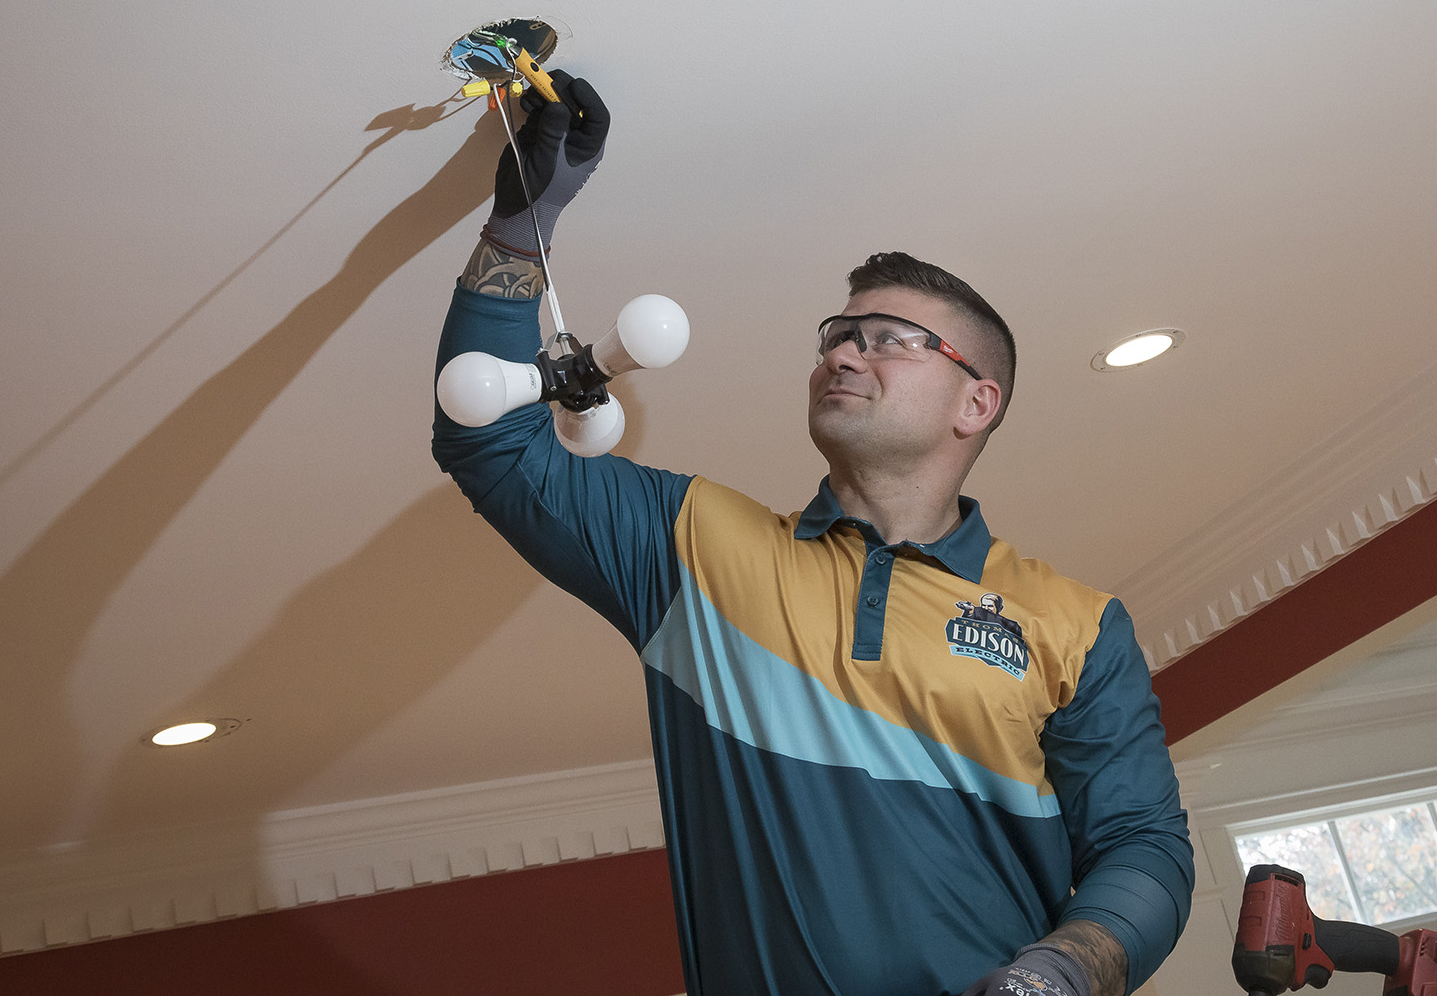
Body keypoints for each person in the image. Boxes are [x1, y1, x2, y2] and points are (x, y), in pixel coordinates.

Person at [433, 70, 1193, 996]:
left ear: (977, 402)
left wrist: (1063, 973)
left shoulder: (1076, 626)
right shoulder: (695, 548)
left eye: (888, 338)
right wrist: (522, 230)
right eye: (839, 331)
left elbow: (1143, 847)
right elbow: (491, 446)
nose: (841, 350)